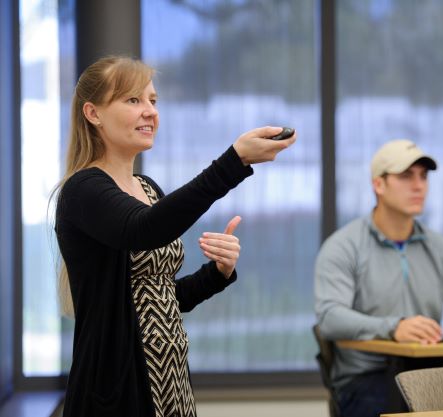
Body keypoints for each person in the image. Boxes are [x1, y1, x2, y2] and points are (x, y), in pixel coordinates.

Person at [53, 56, 296, 417]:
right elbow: (143, 230)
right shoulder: (83, 190)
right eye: (133, 100)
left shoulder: (147, 188)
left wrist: (217, 273)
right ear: (93, 113)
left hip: (171, 384)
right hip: (117, 392)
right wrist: (234, 162)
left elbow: (163, 299)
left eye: (153, 100)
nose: (150, 111)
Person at [314, 139, 443, 417]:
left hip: (431, 371)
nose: (419, 186)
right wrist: (393, 327)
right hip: (367, 379)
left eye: (423, 177)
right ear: (379, 185)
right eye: (406, 176)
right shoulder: (343, 246)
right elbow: (329, 317)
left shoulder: (440, 248)